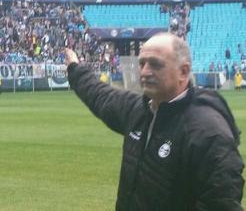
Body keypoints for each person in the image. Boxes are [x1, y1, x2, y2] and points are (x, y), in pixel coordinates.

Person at [65, 33, 244, 211]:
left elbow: (222, 203)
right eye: (142, 63)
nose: (145, 71)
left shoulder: (208, 131)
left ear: (183, 71)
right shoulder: (140, 110)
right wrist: (75, 68)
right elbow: (101, 96)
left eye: (155, 64)